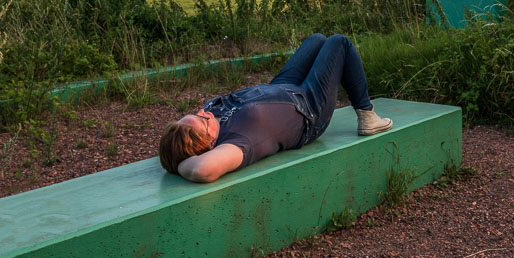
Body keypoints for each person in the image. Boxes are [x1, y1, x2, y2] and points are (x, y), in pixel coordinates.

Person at [159, 33, 393, 182]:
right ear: (210, 144)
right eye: (203, 120)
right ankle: (367, 115)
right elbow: (201, 169)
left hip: (282, 88)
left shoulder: (208, 121)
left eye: (196, 113)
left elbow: (191, 139)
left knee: (317, 40)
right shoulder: (236, 142)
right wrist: (178, 164)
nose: (204, 112)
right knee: (338, 42)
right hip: (309, 109)